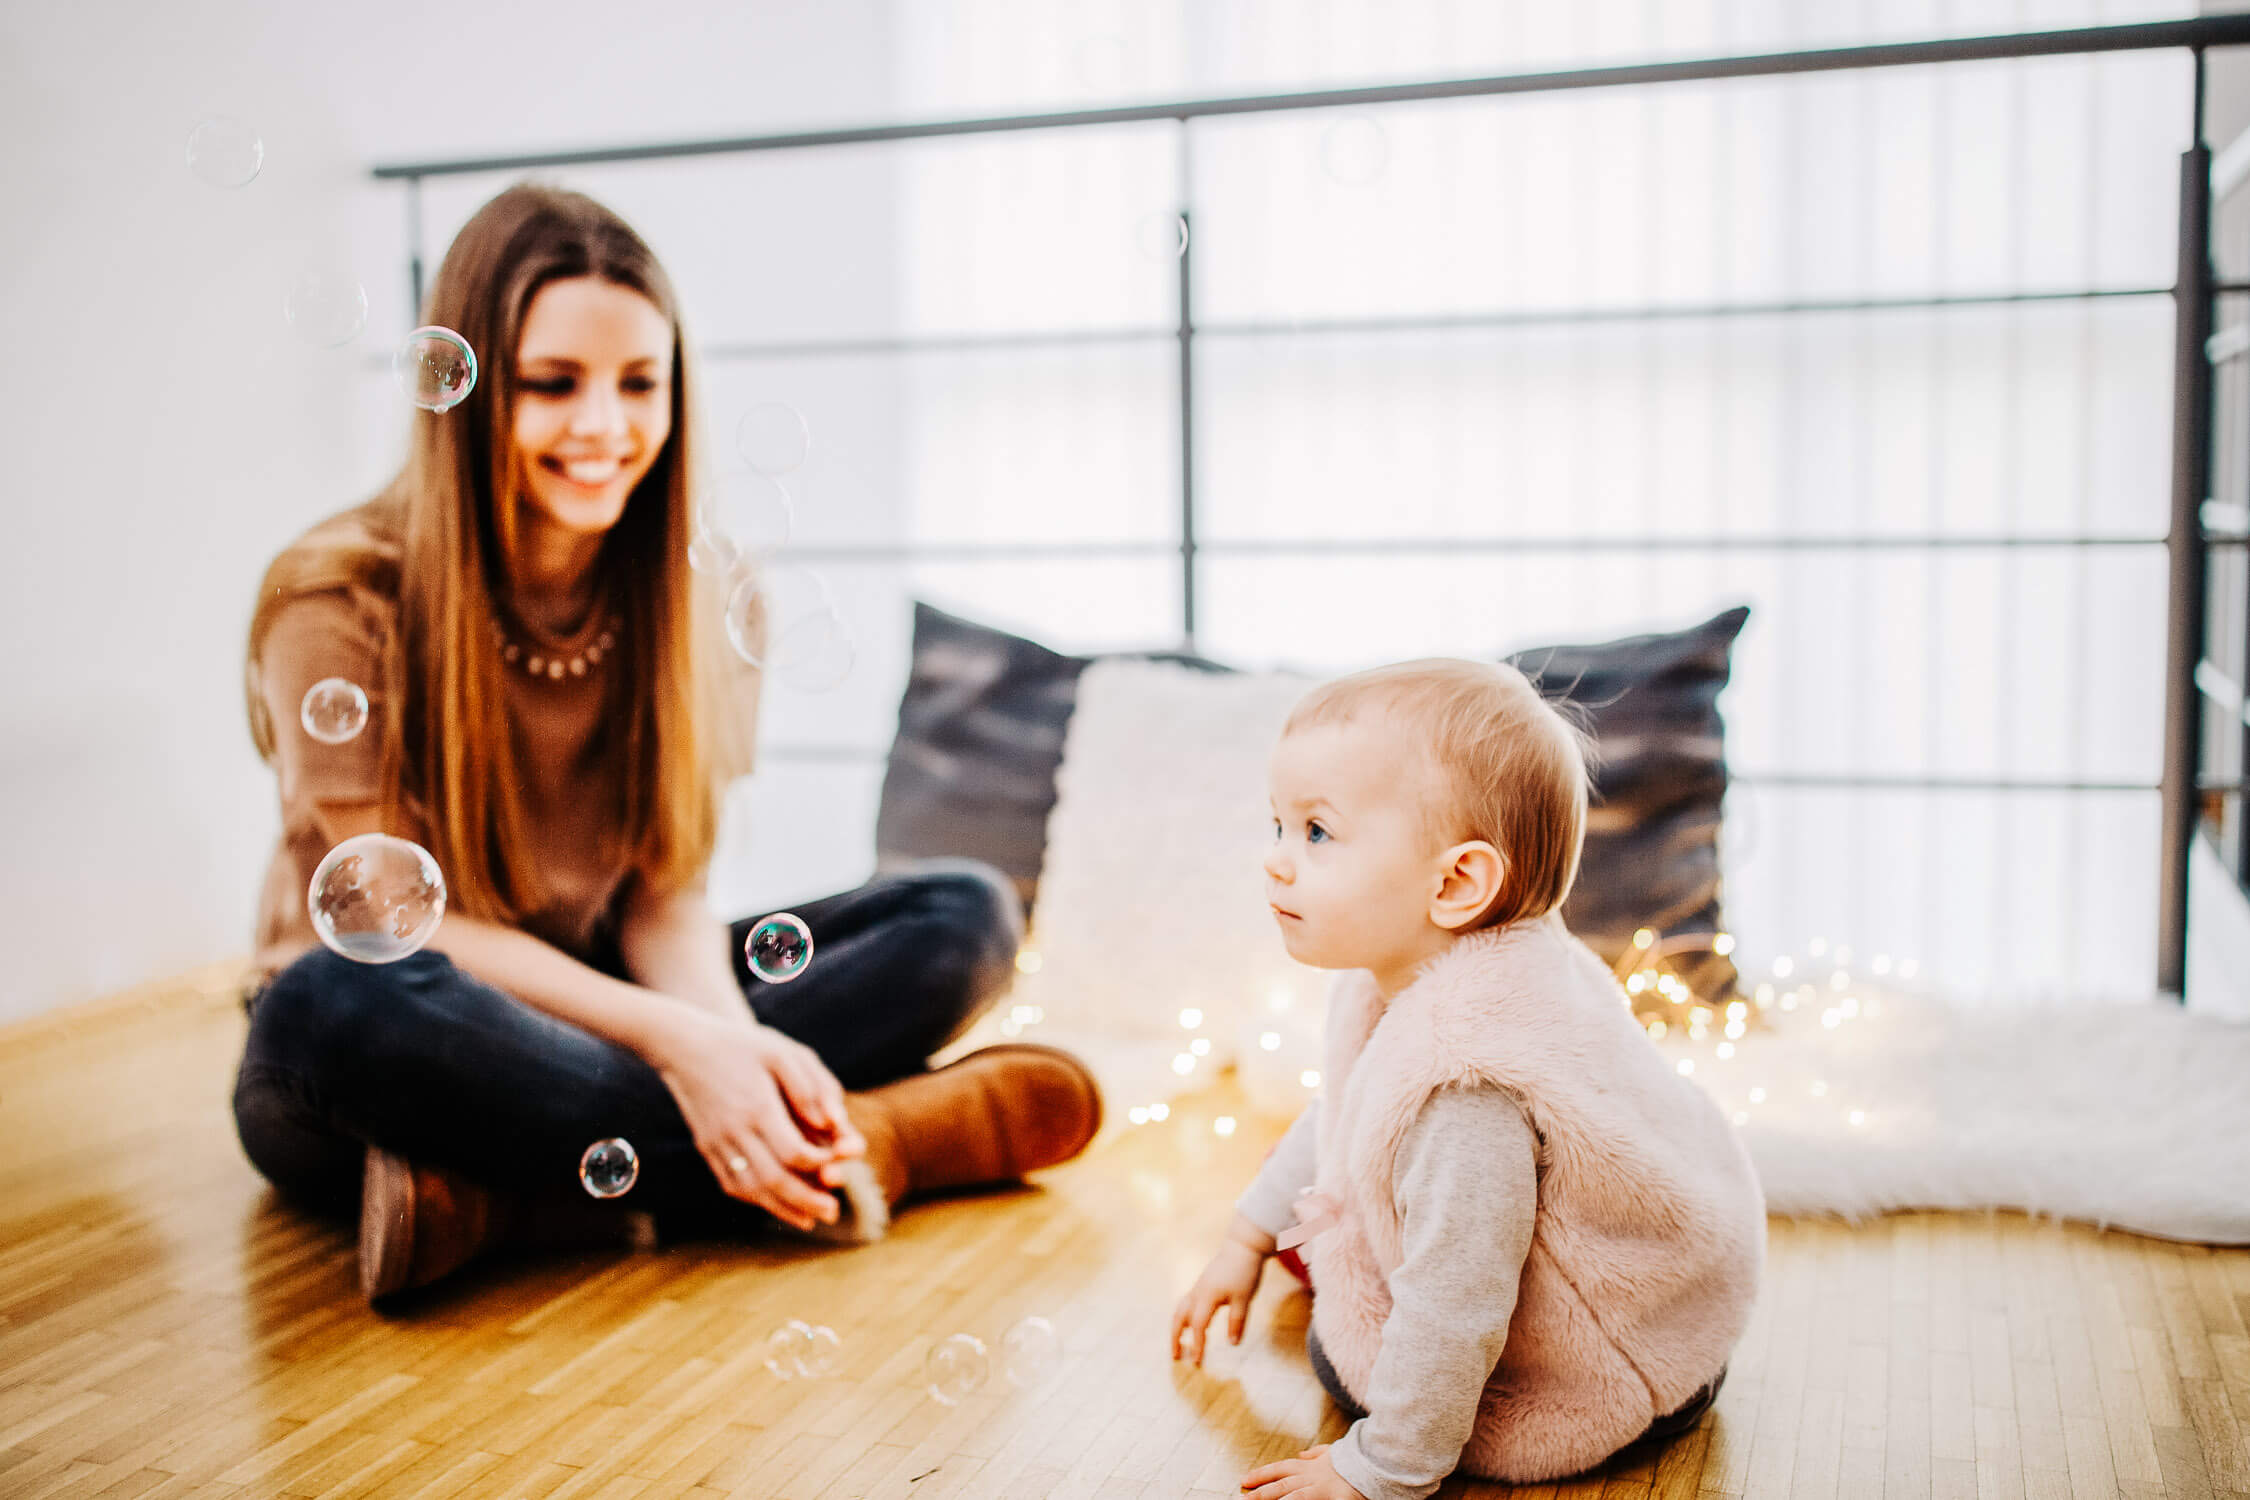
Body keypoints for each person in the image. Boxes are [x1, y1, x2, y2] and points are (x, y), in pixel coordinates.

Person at [233, 182, 1101, 1306]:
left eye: (640, 384)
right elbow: (392, 919)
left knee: (963, 914)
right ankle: (887, 1137)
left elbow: (660, 898)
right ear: (471, 391)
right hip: (405, 1021)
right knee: (334, 1005)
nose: (605, 427)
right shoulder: (336, 595)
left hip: (592, 1004)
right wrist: (684, 1053)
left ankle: (513, 1200)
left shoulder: (708, 589)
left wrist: (728, 1048)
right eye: (553, 384)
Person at [1168, 659, 1765, 1495]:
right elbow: (1340, 1109)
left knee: (1345, 1362)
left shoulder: (1466, 1088)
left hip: (1613, 1371)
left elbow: (1456, 1305)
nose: (1275, 860)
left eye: (1316, 833)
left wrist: (1381, 1467)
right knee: (1348, 1236)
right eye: (1278, 824)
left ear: (1455, 884)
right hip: (1665, 1304)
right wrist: (1247, 1238)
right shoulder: (1418, 975)